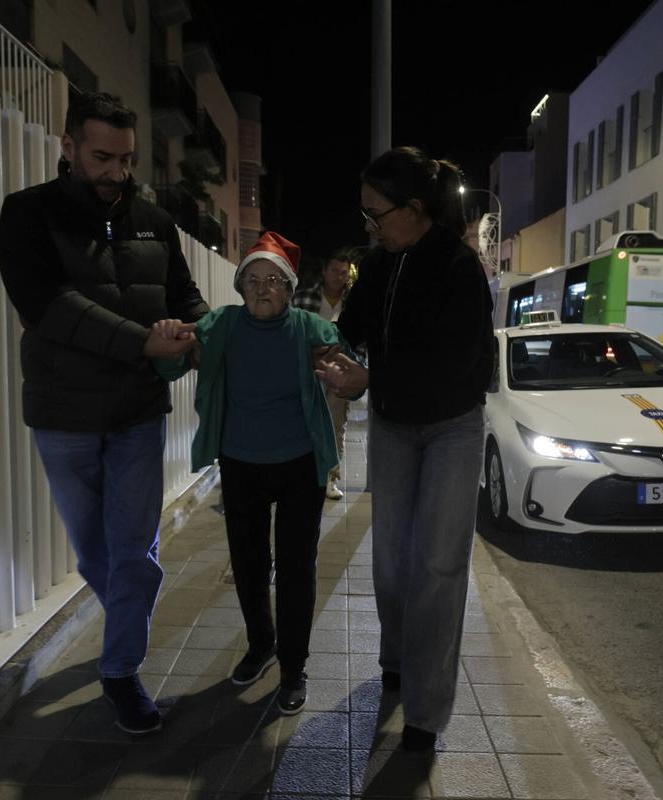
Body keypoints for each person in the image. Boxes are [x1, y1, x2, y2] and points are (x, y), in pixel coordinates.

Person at [0, 91, 207, 735]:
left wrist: (198, 333)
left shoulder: (154, 220)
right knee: (99, 554)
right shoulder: (27, 214)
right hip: (63, 418)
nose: (118, 171)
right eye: (102, 157)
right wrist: (142, 340)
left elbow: (188, 297)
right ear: (67, 147)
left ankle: (120, 671)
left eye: (127, 158)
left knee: (135, 555)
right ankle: (122, 635)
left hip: (138, 413)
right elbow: (46, 306)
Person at [317, 147, 494, 751]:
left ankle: (426, 713)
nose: (369, 225)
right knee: (390, 558)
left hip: (452, 427)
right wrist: (326, 338)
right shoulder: (379, 265)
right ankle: (394, 660)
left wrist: (370, 381)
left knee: (439, 565)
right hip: (394, 425)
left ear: (414, 209)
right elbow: (350, 330)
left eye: (377, 213)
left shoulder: (459, 268)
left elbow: (456, 367)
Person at [155, 232, 351, 716]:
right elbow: (172, 367)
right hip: (241, 463)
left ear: (289, 288)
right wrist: (165, 344)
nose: (263, 289)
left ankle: (293, 667)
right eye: (253, 280)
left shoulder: (309, 328)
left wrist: (342, 369)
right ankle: (261, 646)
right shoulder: (221, 325)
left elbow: (344, 360)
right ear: (240, 287)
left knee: (296, 567)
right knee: (247, 564)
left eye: (274, 281)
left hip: (300, 463)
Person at [292, 248, 355, 499]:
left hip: (341, 369)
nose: (340, 277)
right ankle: (304, 474)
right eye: (335, 271)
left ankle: (331, 477)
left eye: (344, 272)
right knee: (304, 422)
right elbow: (293, 331)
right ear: (325, 271)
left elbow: (361, 339)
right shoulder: (305, 298)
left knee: (335, 424)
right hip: (309, 369)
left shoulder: (352, 303)